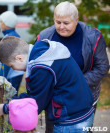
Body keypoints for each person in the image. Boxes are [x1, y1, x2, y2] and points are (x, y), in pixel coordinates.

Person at [0, 36, 95, 132]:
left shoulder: (41, 67)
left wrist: (5, 108)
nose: (13, 69)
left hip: (70, 120)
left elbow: (34, 102)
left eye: (11, 66)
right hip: (81, 109)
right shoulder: (43, 50)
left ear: (19, 58)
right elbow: (37, 93)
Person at [37, 1, 109, 132]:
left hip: (84, 95)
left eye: (66, 23)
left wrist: (76, 83)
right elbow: (37, 66)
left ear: (76, 20)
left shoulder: (93, 37)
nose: (61, 27)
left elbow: (102, 67)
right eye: (58, 22)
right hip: (55, 99)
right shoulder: (44, 36)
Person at [0, 11, 24, 94]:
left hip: (11, 74)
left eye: (1, 22)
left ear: (6, 24)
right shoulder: (15, 36)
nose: (0, 24)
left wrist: (2, 78)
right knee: (12, 96)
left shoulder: (9, 39)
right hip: (16, 74)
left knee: (8, 97)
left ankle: (7, 107)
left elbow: (6, 62)